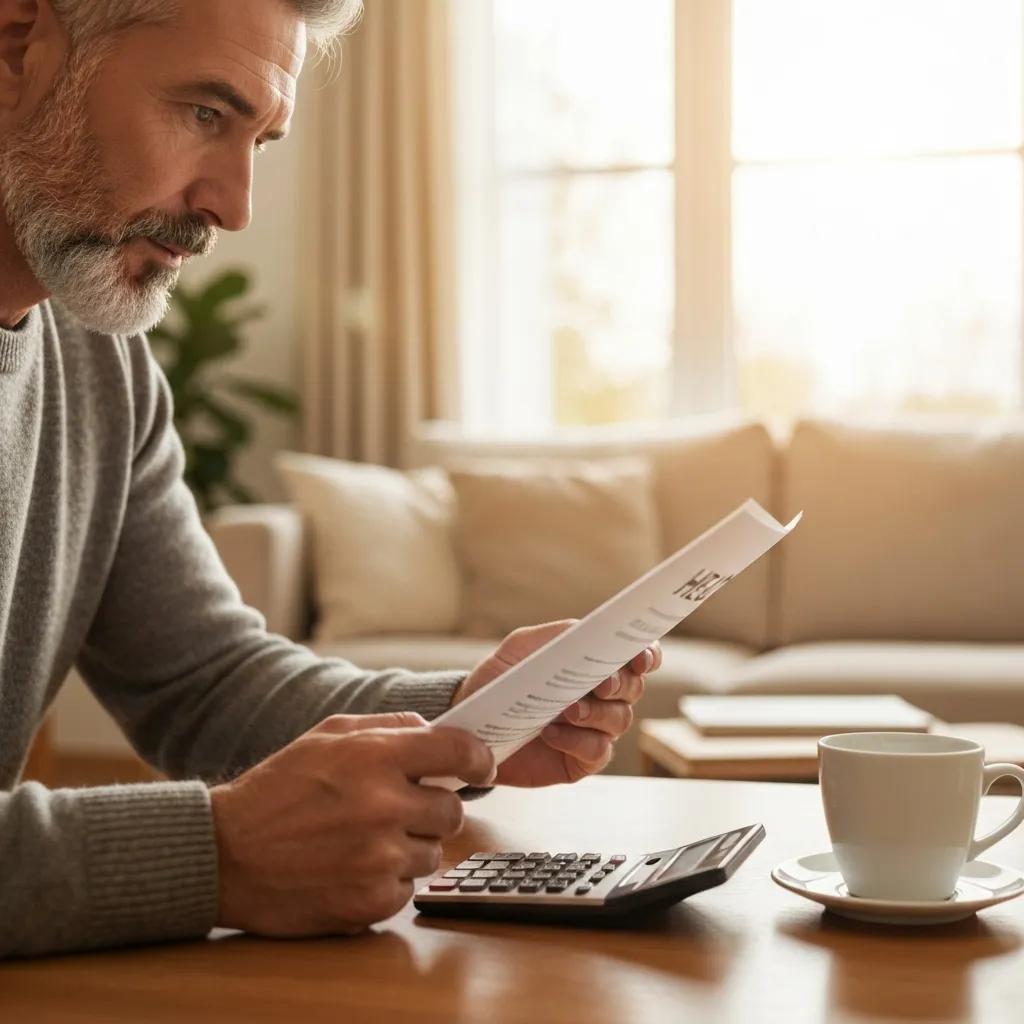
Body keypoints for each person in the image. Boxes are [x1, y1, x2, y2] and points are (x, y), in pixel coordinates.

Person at [0, 0, 661, 958]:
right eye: (204, 114)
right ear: (18, 47)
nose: (234, 206)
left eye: (260, 140)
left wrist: (467, 718)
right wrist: (219, 853)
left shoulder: (102, 365)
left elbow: (205, 681)